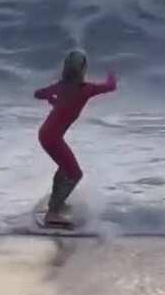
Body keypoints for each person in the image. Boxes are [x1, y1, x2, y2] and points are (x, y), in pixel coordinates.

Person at [34, 50, 117, 225]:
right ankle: (53, 212)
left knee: (64, 169)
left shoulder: (61, 86)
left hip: (46, 135)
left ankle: (55, 205)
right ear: (83, 70)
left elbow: (38, 93)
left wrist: (52, 98)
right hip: (53, 138)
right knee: (75, 173)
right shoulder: (86, 90)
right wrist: (112, 71)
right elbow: (111, 86)